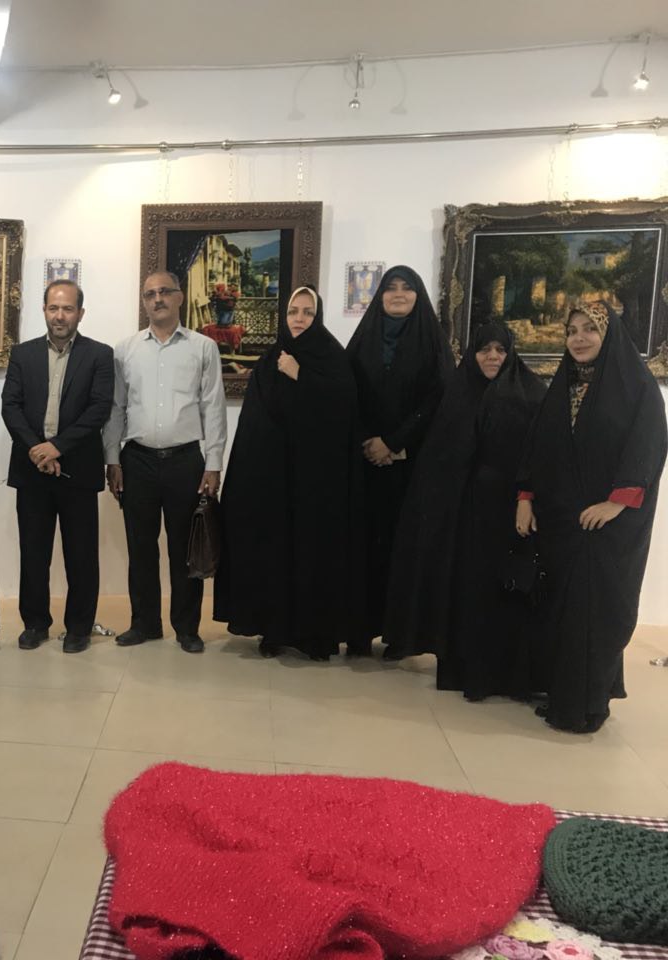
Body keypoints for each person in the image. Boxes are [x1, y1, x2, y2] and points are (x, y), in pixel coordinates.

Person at [515, 303, 667, 733]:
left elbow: (647, 448)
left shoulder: (636, 388)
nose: (578, 339)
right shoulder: (563, 386)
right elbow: (537, 448)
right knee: (562, 610)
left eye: (589, 330)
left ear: (609, 335)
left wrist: (614, 503)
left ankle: (585, 705)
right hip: (561, 523)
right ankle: (563, 694)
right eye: (572, 331)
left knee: (596, 613)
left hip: (606, 527)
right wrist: (525, 497)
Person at [383, 320, 547, 699]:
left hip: (508, 516)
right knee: (464, 594)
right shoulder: (458, 392)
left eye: (500, 350)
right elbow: (440, 455)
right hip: (462, 516)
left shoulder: (531, 394)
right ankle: (462, 672)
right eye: (484, 349)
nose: (492, 357)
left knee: (503, 594)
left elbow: (538, 456)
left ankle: (503, 676)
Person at [213, 286, 364, 660]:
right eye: (294, 311)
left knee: (313, 556)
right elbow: (255, 421)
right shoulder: (270, 360)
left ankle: (316, 636)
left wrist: (301, 376)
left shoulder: (332, 358)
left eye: (308, 312)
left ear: (318, 316)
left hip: (318, 482)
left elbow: (344, 411)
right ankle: (274, 630)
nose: (299, 319)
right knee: (275, 554)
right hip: (273, 479)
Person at [103, 271, 228, 654]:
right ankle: (144, 624)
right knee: (140, 548)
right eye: (149, 294)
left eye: (164, 292)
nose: (156, 299)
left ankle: (187, 628)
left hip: (185, 462)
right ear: (144, 302)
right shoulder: (125, 350)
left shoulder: (203, 348)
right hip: (136, 460)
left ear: (178, 297)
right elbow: (116, 408)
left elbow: (214, 407)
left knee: (183, 550)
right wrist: (112, 459)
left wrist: (213, 464)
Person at [345, 265, 454, 655]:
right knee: (362, 549)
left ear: (417, 295)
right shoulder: (363, 341)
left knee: (403, 551)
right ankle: (359, 631)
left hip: (412, 467)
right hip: (366, 466)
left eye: (407, 288)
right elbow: (346, 394)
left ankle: (399, 636)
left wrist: (393, 442)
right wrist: (368, 441)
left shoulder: (432, 343)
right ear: (379, 297)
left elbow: (438, 399)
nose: (398, 294)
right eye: (390, 288)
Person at [2, 280, 114, 654]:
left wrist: (57, 447)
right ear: (44, 310)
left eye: (67, 309)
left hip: (78, 470)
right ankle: (35, 624)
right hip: (32, 470)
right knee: (34, 554)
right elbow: (10, 406)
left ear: (80, 313)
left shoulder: (100, 355)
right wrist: (37, 450)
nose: (60, 316)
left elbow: (99, 409)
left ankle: (79, 627)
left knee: (81, 556)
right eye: (53, 308)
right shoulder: (23, 354)